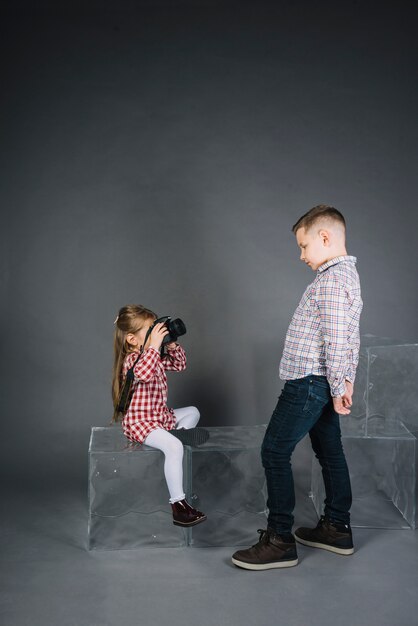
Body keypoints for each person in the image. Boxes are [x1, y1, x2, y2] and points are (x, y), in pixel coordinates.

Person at [232, 205, 363, 570]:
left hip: (308, 382)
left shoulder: (334, 282)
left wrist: (340, 386)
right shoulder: (344, 276)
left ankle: (279, 540)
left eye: (304, 246)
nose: (301, 255)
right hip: (321, 381)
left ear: (325, 237)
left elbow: (338, 341)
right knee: (328, 450)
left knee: (274, 452)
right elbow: (350, 340)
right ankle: (336, 527)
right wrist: (344, 380)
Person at [112, 304, 207, 527]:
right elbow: (143, 374)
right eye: (151, 331)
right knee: (174, 448)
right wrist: (154, 346)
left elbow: (180, 365)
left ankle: (177, 436)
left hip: (159, 418)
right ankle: (179, 507)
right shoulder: (133, 361)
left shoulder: (152, 356)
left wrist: (171, 343)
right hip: (140, 422)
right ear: (132, 340)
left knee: (193, 411)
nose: (158, 334)